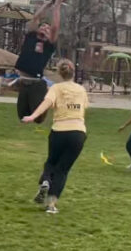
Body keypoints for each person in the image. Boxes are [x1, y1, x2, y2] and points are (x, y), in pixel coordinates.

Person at [22, 59, 88, 214]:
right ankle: (51, 206)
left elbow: (47, 102)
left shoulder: (56, 88)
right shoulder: (81, 90)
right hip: (78, 133)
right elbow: (84, 107)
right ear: (73, 72)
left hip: (59, 131)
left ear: (59, 73)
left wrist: (32, 116)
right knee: (62, 170)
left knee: (51, 162)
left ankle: (45, 181)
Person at [15, 0, 64, 123]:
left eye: (47, 29)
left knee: (38, 119)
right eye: (43, 26)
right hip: (23, 81)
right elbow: (36, 18)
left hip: (37, 83)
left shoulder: (48, 45)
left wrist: (57, 6)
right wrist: (47, 5)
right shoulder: (31, 37)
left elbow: (55, 27)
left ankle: (47, 100)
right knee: (22, 116)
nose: (44, 28)